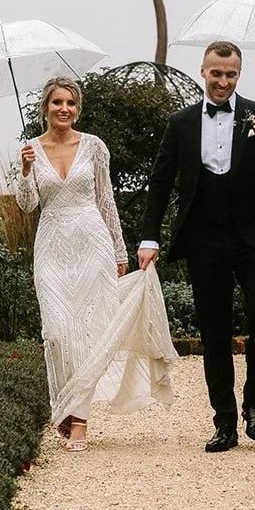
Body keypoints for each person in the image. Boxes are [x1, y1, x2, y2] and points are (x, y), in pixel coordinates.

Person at [137, 41, 255, 452]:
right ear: (203, 71)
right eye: (216, 74)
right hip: (204, 239)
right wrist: (149, 236)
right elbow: (160, 183)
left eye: (230, 75)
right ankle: (225, 423)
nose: (223, 82)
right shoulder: (181, 122)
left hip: (252, 238)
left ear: (239, 75)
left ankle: (254, 404)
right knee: (215, 332)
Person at [17, 75, 176, 451]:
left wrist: (120, 252)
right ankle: (67, 405)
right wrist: (25, 172)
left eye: (70, 103)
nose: (64, 109)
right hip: (52, 247)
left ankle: (80, 422)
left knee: (89, 335)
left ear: (78, 108)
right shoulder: (31, 151)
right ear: (46, 108)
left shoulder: (93, 147)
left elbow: (106, 201)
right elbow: (27, 205)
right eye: (57, 103)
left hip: (93, 245)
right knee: (57, 333)